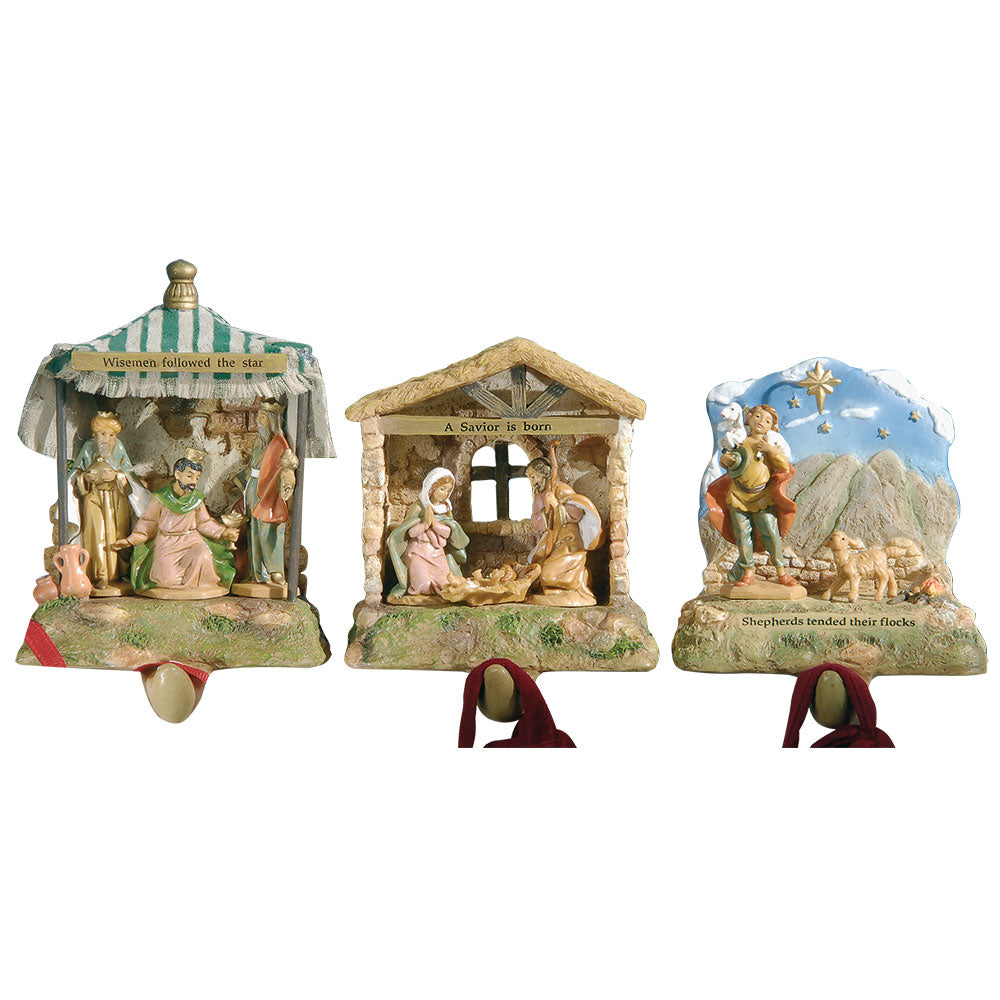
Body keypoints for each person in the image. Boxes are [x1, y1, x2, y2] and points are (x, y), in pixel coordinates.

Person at [111, 448, 238, 598]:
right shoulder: (161, 498)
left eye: (197, 477)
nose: (193, 482)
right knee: (168, 580)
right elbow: (148, 524)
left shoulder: (196, 499)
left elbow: (204, 523)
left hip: (191, 540)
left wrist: (223, 532)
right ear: (178, 474)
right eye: (189, 476)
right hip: (168, 543)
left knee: (203, 555)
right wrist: (130, 541)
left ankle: (196, 586)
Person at [706, 403, 797, 587]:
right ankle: (748, 572)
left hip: (762, 497)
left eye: (768, 421)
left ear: (772, 427)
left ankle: (781, 571)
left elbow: (783, 466)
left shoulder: (769, 446)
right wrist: (726, 459)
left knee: (771, 533)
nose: (761, 421)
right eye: (758, 416)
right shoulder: (739, 441)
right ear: (749, 418)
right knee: (742, 534)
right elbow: (727, 459)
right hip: (738, 497)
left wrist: (771, 450)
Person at [68, 411, 146, 592]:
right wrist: (85, 477)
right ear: (95, 434)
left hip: (116, 496)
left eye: (112, 435)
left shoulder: (118, 447)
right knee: (97, 533)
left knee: (119, 532)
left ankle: (122, 572)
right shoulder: (88, 447)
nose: (107, 439)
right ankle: (100, 575)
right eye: (103, 434)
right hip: (93, 496)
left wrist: (117, 475)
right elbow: (76, 472)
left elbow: (129, 472)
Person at [525, 450, 604, 606]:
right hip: (552, 539)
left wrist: (556, 505)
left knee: (547, 575)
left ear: (543, 474)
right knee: (536, 569)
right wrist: (545, 512)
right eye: (529, 478)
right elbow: (537, 520)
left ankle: (573, 590)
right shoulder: (539, 496)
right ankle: (551, 593)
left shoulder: (560, 489)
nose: (532, 482)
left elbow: (577, 512)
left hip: (569, 542)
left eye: (533, 477)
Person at [233, 400, 297, 589]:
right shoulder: (258, 443)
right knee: (253, 530)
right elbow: (252, 467)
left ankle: (274, 571)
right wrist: (241, 482)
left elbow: (282, 469)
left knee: (268, 530)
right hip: (253, 487)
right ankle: (257, 573)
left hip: (269, 491)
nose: (258, 421)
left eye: (263, 417)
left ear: (272, 419)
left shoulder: (279, 444)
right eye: (258, 416)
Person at [386, 467, 468, 601]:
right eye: (442, 489)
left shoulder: (446, 509)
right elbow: (409, 531)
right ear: (431, 487)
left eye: (448, 490)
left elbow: (450, 532)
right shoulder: (418, 507)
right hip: (418, 552)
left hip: (437, 553)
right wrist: (424, 524)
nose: (445, 494)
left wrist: (434, 524)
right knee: (423, 586)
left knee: (446, 585)